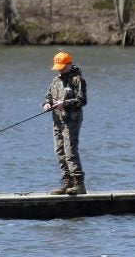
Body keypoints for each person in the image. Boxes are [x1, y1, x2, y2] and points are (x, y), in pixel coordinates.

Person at [43, 51, 87, 195]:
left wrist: (65, 104)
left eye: (62, 67)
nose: (60, 70)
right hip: (58, 121)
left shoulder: (77, 80)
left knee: (70, 152)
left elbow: (82, 100)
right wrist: (47, 104)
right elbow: (48, 97)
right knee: (59, 152)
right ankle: (67, 183)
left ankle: (79, 184)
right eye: (58, 67)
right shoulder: (56, 81)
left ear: (69, 64)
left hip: (71, 121)